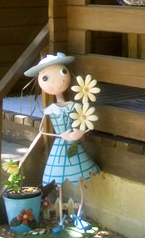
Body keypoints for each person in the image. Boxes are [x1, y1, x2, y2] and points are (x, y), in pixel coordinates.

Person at [24, 52, 99, 231]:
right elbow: (42, 130)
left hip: (74, 145)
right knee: (58, 182)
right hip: (60, 145)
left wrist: (80, 132)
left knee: (79, 179)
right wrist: (61, 135)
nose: (57, 82)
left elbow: (86, 121)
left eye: (63, 72)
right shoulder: (50, 110)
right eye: (46, 78)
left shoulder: (74, 105)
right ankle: (60, 220)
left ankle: (79, 214)